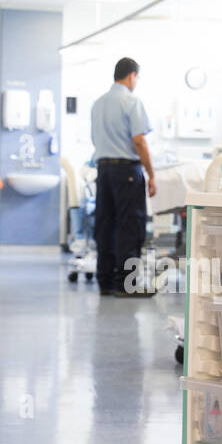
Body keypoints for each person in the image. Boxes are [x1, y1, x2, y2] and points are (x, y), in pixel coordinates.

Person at [89, 57, 156, 298]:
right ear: (131, 76)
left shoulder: (97, 104)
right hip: (127, 170)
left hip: (104, 170)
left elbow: (95, 141)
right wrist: (151, 174)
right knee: (129, 226)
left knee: (105, 224)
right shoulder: (131, 101)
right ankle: (126, 285)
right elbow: (139, 140)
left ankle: (105, 281)